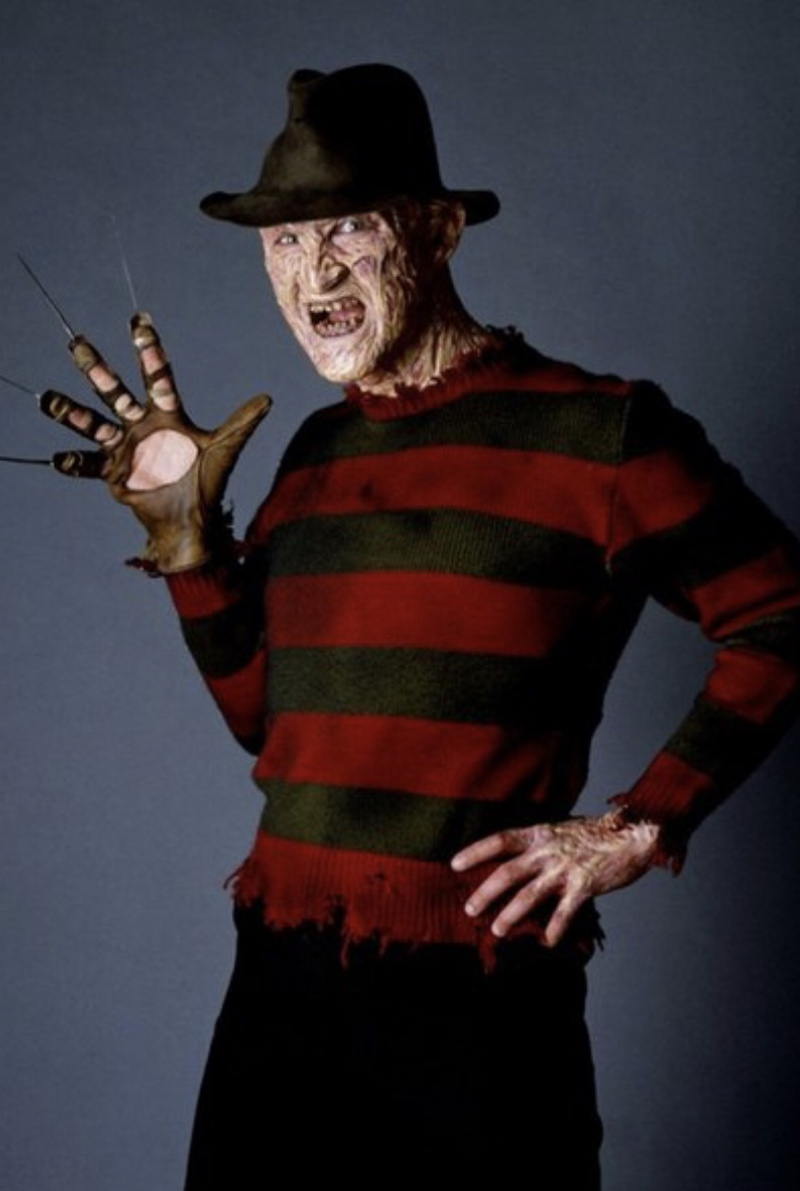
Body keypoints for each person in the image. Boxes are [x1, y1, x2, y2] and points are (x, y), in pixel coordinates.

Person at [36, 64, 800, 1187]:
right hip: (277, 995)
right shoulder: (313, 452)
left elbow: (780, 616)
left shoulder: (604, 434)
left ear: (438, 231)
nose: (314, 273)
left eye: (349, 227)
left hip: (477, 1008)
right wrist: (190, 547)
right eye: (284, 240)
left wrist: (640, 823)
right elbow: (270, 727)